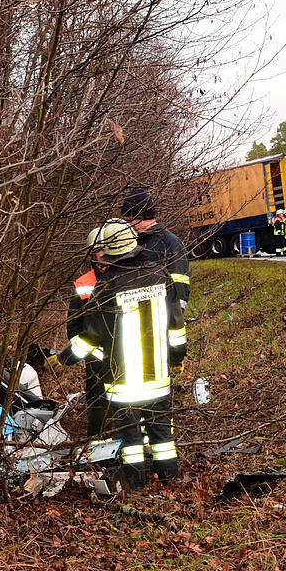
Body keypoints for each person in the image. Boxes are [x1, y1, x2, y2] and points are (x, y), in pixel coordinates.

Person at [46, 219, 186, 488]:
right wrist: (177, 358)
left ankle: (135, 483)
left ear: (109, 252)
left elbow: (91, 336)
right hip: (158, 376)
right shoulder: (160, 275)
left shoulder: (108, 285)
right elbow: (176, 327)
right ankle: (170, 480)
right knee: (162, 436)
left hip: (124, 383)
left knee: (131, 438)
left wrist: (64, 358)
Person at [67, 225, 108, 438]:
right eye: (98, 251)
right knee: (97, 406)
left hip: (128, 357)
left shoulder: (130, 276)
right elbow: (73, 327)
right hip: (96, 362)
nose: (103, 255)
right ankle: (96, 447)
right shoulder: (84, 284)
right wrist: (89, 353)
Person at [120, 188, 190, 311]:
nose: (125, 225)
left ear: (138, 218)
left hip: (162, 316)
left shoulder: (170, 243)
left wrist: (175, 317)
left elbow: (180, 287)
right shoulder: (132, 242)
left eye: (127, 221)